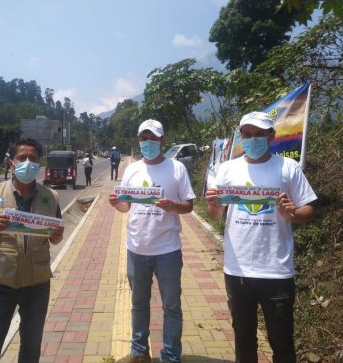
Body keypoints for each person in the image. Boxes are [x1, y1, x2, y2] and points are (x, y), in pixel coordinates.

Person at [205, 111, 317, 363]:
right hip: (237, 270)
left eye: (259, 134)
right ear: (240, 137)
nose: (252, 139)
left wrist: (293, 213)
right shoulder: (227, 169)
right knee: (244, 340)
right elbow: (215, 216)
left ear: (271, 136)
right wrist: (212, 204)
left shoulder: (288, 167)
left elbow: (309, 210)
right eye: (247, 135)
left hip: (276, 270)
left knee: (282, 341)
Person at [109, 119, 196, 363]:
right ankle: (139, 352)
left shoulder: (177, 168)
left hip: (168, 249)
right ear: (139, 140)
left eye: (153, 138)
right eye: (144, 138)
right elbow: (127, 206)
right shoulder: (132, 169)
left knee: (171, 306)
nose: (148, 142)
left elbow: (188, 206)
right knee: (138, 303)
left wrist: (173, 205)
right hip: (136, 248)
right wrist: (117, 204)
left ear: (162, 140)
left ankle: (170, 355)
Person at [0, 138, 65, 363]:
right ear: (11, 162)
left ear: (39, 162)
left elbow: (54, 239)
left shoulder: (51, 197)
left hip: (37, 284)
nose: (28, 163)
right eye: (22, 158)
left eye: (33, 159)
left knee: (31, 348)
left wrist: (57, 237)